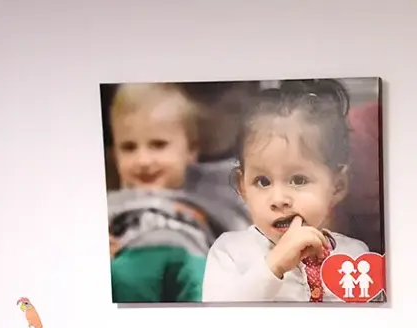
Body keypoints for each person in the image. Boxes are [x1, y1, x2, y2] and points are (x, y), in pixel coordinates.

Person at [201, 80, 370, 302]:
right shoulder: (230, 252)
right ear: (242, 187)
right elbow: (217, 324)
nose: (278, 199)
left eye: (298, 180)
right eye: (262, 181)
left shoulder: (356, 255)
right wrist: (274, 265)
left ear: (337, 186)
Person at [105, 82, 251, 303]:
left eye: (158, 145)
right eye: (128, 147)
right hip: (131, 264)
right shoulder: (110, 204)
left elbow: (243, 233)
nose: (143, 160)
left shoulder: (210, 194)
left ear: (190, 150)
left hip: (193, 262)